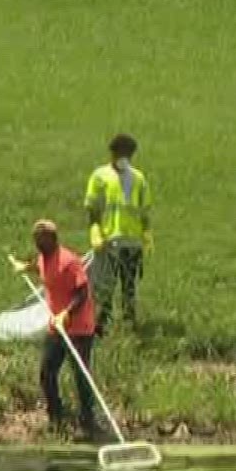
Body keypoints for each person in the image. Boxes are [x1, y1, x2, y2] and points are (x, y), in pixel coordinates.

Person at [10, 219, 99, 440]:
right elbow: (39, 266)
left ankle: (88, 420)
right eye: (35, 239)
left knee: (81, 374)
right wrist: (25, 267)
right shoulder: (44, 258)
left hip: (79, 328)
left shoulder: (69, 262)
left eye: (41, 239)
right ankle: (56, 417)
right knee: (47, 372)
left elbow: (82, 292)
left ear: (52, 239)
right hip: (57, 328)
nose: (37, 243)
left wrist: (67, 312)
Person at [84, 133, 154, 335]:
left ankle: (129, 323)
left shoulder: (139, 178)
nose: (124, 157)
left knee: (129, 285)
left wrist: (147, 234)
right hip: (109, 242)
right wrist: (95, 231)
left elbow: (144, 210)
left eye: (128, 154)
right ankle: (99, 325)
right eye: (121, 153)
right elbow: (93, 208)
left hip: (132, 243)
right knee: (105, 285)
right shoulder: (100, 176)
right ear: (112, 154)